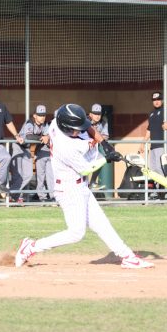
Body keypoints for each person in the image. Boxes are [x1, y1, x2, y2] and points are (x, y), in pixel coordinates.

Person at [15, 104, 154, 269]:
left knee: (102, 224)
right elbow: (87, 169)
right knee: (76, 233)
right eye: (75, 129)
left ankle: (127, 256)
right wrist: (106, 159)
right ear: (65, 127)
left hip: (81, 186)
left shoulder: (59, 119)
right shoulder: (66, 147)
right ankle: (30, 247)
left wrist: (104, 143)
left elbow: (88, 127)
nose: (78, 131)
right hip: (68, 189)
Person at [9, 104, 52, 204]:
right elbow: (29, 137)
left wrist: (47, 137)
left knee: (28, 175)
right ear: (35, 115)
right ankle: (14, 196)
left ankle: (12, 194)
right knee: (18, 175)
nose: (42, 117)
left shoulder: (45, 124)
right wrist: (43, 138)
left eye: (44, 115)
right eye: (40, 115)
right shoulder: (30, 122)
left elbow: (46, 136)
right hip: (17, 147)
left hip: (26, 148)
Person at [138, 91, 167, 176]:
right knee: (153, 169)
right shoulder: (151, 114)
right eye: (154, 100)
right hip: (153, 146)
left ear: (162, 100)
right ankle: (157, 189)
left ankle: (164, 188)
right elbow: (149, 131)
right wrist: (142, 144)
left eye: (158, 99)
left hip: (163, 145)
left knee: (160, 168)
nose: (156, 101)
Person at [86, 103, 109, 189]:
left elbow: (106, 136)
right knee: (84, 168)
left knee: (101, 160)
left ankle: (92, 182)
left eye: (99, 114)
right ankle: (84, 184)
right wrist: (98, 137)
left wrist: (96, 138)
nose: (97, 116)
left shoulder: (103, 121)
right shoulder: (85, 121)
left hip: (93, 149)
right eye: (95, 114)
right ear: (90, 114)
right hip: (83, 149)